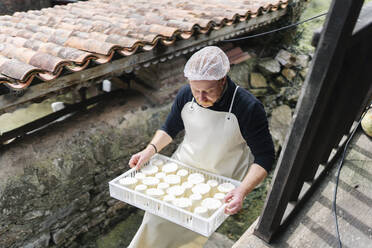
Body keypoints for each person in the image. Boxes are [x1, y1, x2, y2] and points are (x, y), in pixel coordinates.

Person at [127, 46, 275, 248]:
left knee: (191, 235)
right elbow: (170, 128)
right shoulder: (186, 94)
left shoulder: (248, 107)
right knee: (153, 222)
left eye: (207, 91)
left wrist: (242, 191)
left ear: (223, 79)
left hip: (219, 182)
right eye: (196, 90)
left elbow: (265, 157)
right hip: (182, 169)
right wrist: (150, 150)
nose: (200, 98)